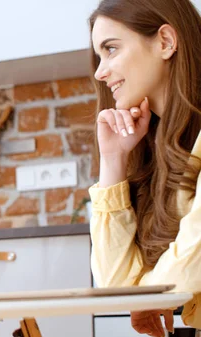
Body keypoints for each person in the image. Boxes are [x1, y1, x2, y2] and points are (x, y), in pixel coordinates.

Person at [88, 0, 201, 336]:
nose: (99, 71)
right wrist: (112, 162)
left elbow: (191, 262)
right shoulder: (166, 153)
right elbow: (115, 288)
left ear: (165, 42)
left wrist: (149, 297)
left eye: (111, 49)